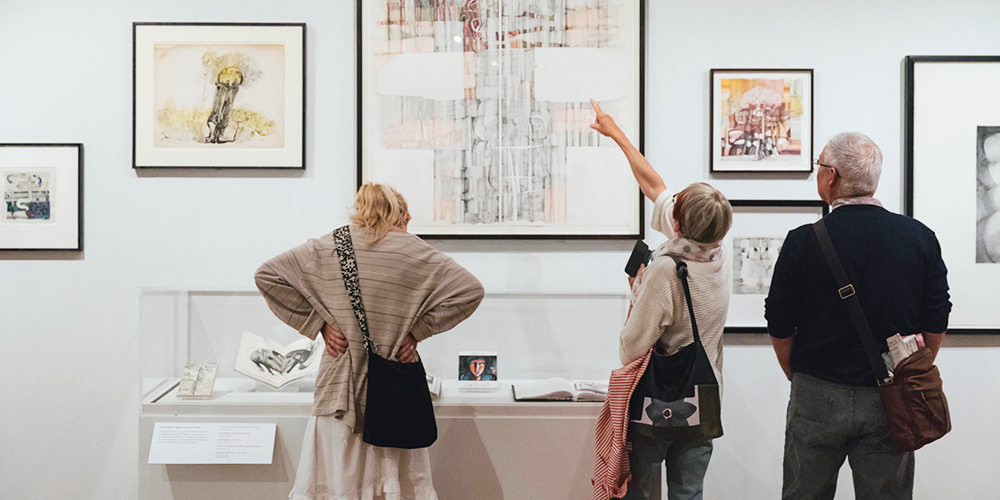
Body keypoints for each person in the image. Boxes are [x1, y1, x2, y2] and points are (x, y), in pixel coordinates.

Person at [255, 183, 485, 500]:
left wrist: (318, 324)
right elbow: (471, 290)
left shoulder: (326, 246)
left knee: (337, 484)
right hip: (395, 392)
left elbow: (267, 275)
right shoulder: (416, 251)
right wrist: (419, 330)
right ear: (400, 215)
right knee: (393, 484)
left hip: (341, 390)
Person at [765, 132, 951, 500]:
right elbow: (936, 319)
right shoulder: (918, 237)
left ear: (831, 176)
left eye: (819, 167)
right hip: (890, 395)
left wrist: (800, 377)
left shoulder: (803, 241)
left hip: (817, 390)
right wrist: (908, 372)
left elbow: (779, 323)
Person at [590, 99, 733, 500]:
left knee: (643, 495)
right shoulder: (718, 251)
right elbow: (655, 186)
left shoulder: (666, 270)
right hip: (704, 397)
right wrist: (617, 134)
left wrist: (638, 290)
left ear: (677, 223)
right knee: (689, 493)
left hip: (659, 401)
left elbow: (629, 347)